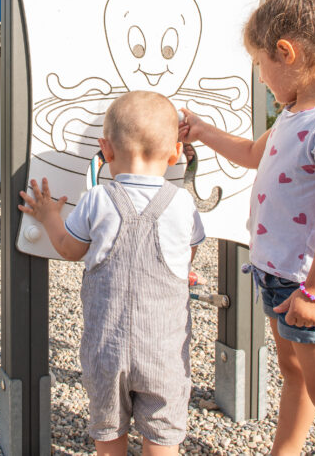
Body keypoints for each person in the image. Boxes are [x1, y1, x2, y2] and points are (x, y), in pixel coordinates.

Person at [179, 0, 315, 456]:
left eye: (260, 66)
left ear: (286, 53)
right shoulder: (294, 114)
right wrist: (202, 131)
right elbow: (251, 153)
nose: (262, 79)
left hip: (310, 284)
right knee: (293, 374)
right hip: (277, 275)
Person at [19, 90, 205, 455]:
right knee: (162, 436)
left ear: (105, 150)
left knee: (108, 433)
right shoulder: (183, 203)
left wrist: (50, 216)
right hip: (164, 352)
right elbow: (189, 254)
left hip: (107, 350)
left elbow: (70, 249)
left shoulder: (97, 200)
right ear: (174, 154)